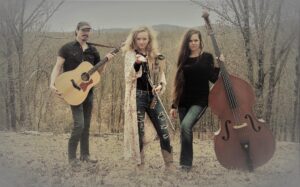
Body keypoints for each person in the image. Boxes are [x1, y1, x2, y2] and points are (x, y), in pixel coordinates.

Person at [49, 21, 115, 166]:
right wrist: (52, 83)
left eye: (88, 31)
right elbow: (57, 67)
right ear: (77, 31)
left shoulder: (93, 51)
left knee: (86, 125)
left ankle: (85, 155)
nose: (86, 33)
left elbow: (97, 74)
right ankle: (72, 158)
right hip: (72, 91)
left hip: (87, 92)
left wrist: (106, 62)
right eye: (83, 30)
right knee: (79, 124)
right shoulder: (66, 48)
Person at [122, 26, 175, 171]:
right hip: (136, 97)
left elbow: (161, 75)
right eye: (138, 39)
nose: (141, 42)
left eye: (144, 38)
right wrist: (137, 63)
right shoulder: (130, 55)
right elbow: (128, 77)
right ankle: (140, 164)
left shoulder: (155, 55)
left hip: (153, 97)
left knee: (163, 129)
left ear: (149, 39)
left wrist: (160, 85)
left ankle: (169, 164)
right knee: (138, 131)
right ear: (134, 39)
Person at [170, 29, 222, 171]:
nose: (193, 43)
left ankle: (186, 164)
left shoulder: (206, 57)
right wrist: (174, 105)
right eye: (190, 41)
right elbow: (178, 83)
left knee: (186, 126)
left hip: (200, 100)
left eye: (195, 40)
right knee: (184, 131)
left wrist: (221, 66)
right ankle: (186, 162)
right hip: (183, 101)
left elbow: (213, 78)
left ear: (200, 42)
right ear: (187, 43)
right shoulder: (184, 59)